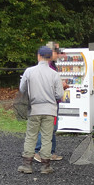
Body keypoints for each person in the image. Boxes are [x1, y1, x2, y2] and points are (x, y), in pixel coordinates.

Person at [18, 46, 64, 174]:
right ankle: (45, 166)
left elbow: (22, 89)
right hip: (50, 110)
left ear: (38, 56)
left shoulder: (29, 71)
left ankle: (27, 165)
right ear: (50, 58)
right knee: (47, 137)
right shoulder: (54, 74)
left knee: (31, 136)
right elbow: (59, 94)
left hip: (34, 109)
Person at [33, 41, 68, 163]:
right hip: (48, 102)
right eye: (57, 52)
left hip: (50, 102)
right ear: (50, 52)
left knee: (52, 128)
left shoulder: (52, 65)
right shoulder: (47, 67)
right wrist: (61, 87)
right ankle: (38, 151)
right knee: (47, 127)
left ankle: (50, 152)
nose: (59, 54)